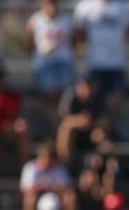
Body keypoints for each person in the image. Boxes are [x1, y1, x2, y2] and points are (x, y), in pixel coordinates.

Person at [73, 0, 129, 130]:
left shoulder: (122, 6)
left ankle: (103, 125)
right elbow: (78, 34)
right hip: (95, 62)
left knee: (117, 97)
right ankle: (98, 129)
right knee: (94, 97)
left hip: (117, 62)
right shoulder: (85, 7)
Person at [25, 0, 75, 130]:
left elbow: (74, 40)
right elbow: (29, 41)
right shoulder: (36, 19)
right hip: (45, 63)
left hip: (63, 62)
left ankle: (63, 125)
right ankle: (57, 127)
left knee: (66, 96)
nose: (52, 6)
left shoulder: (66, 19)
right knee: (50, 95)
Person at [0, 61, 30, 167]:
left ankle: (26, 167)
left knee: (21, 126)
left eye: (0, 76)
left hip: (7, 132)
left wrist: (9, 126)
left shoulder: (12, 96)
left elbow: (15, 117)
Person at [20, 141, 77, 210]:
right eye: (44, 157)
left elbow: (68, 187)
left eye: (50, 158)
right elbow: (25, 189)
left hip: (56, 196)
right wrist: (41, 186)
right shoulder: (30, 167)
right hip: (38, 196)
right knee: (29, 199)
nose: (47, 160)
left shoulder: (60, 168)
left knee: (70, 198)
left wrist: (56, 187)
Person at [56, 76, 105, 165]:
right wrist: (79, 120)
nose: (87, 88)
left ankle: (100, 166)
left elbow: (103, 120)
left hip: (90, 132)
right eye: (85, 85)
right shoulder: (71, 96)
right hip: (75, 132)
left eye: (90, 85)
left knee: (100, 134)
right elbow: (64, 119)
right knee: (66, 130)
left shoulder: (98, 98)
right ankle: (65, 164)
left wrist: (89, 122)